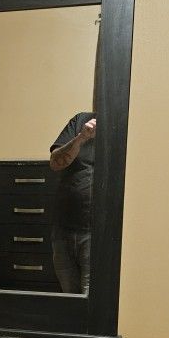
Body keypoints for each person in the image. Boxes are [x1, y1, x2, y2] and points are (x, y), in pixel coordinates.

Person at [48, 112, 96, 295]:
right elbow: (55, 162)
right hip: (63, 229)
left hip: (95, 234)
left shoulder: (120, 128)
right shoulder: (80, 121)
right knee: (69, 299)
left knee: (89, 301)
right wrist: (81, 137)